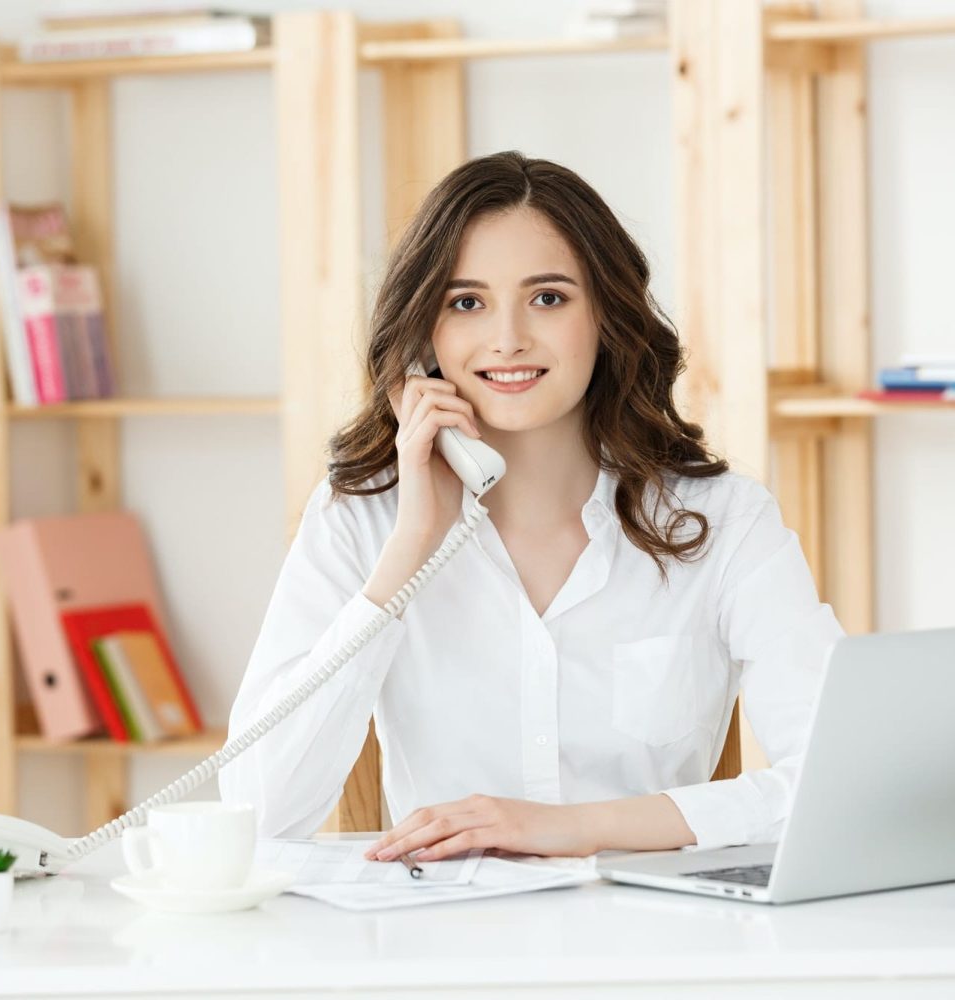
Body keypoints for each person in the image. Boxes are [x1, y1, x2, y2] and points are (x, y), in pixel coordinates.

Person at [218, 150, 843, 862]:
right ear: (423, 338)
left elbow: (838, 785)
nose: (507, 337)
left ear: (606, 315)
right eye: (466, 302)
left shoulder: (724, 522)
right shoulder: (360, 521)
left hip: (653, 950)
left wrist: (573, 828)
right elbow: (254, 812)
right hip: (444, 951)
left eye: (548, 298)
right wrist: (409, 549)